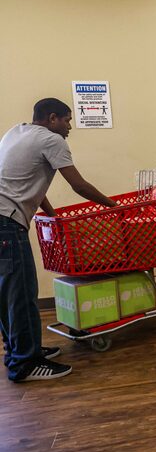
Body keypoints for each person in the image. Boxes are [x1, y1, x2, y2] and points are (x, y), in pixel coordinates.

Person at [0, 98, 117, 382]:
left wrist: (53, 216)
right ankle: (26, 365)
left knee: (7, 295)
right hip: (7, 223)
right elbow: (78, 185)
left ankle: (18, 352)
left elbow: (30, 183)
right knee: (22, 294)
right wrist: (113, 206)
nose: (69, 127)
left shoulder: (17, 132)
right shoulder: (52, 140)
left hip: (3, 219)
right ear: (52, 118)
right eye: (67, 120)